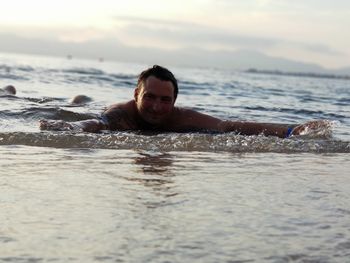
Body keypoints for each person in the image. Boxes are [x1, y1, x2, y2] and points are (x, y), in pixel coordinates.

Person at [39, 65, 326, 138]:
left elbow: (229, 126)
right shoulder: (121, 115)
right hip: (90, 107)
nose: (155, 106)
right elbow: (97, 123)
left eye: (165, 100)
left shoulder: (180, 117)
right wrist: (70, 129)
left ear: (174, 101)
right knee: (78, 100)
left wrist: (291, 130)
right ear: (135, 95)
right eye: (149, 97)